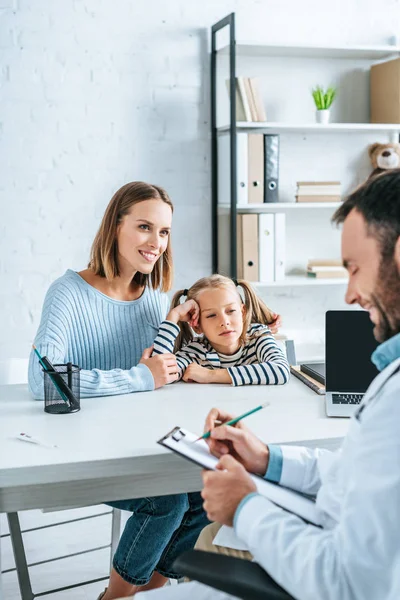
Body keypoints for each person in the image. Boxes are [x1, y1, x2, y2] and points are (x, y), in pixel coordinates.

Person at [135, 168, 400, 599]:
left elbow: (350, 586)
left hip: (313, 572)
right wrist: (267, 460)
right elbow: (355, 477)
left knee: (202, 534)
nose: (349, 293)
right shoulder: (391, 374)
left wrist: (247, 507)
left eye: (354, 268)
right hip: (314, 536)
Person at [28, 182, 209, 599]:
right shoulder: (68, 293)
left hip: (141, 443)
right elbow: (44, 380)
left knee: (204, 490)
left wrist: (248, 330)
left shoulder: (152, 298)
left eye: (164, 232)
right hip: (87, 449)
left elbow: (166, 370)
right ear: (115, 227)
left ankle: (151, 591)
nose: (156, 242)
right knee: (167, 502)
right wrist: (140, 377)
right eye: (145, 227)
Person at [152, 274, 289, 386]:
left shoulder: (258, 336)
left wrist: (210, 375)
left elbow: (281, 370)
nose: (224, 322)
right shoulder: (196, 352)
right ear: (197, 325)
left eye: (231, 310)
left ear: (242, 313)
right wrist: (173, 316)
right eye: (211, 315)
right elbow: (159, 373)